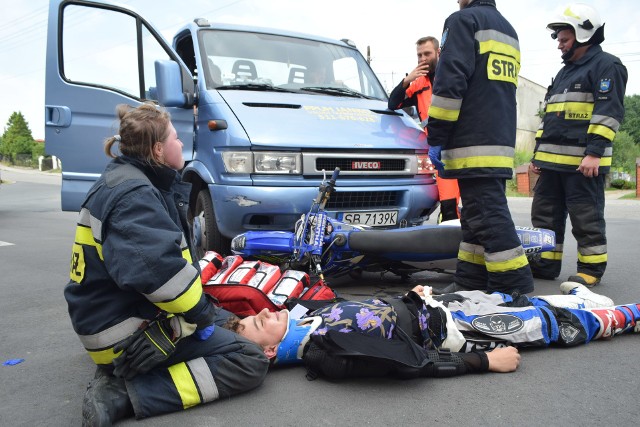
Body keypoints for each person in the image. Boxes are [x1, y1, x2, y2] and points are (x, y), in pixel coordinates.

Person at [63, 103, 269, 426]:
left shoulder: (132, 180)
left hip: (114, 314)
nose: (181, 144)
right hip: (122, 334)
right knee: (249, 359)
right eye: (175, 138)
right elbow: (163, 276)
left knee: (225, 318)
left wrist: (203, 313)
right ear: (158, 150)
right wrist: (196, 320)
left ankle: (129, 373)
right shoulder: (135, 196)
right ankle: (127, 394)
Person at [225, 279, 639, 381]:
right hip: (456, 333)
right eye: (250, 327)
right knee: (547, 325)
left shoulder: (305, 316)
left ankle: (591, 299)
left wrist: (405, 295)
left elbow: (364, 306)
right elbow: (411, 366)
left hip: (433, 303)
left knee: (514, 300)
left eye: (249, 315)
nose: (257, 316)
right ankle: (628, 315)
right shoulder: (326, 353)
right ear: (266, 353)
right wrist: (483, 361)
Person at [426, 0, 533, 294]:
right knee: (474, 219)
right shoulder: (507, 29)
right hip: (498, 140)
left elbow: (449, 85)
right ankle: (469, 282)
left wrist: (436, 136)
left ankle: (514, 287)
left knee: (487, 216)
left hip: (471, 141)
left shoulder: (462, 21)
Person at [529, 3, 628, 288]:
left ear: (584, 34)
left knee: (586, 217)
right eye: (558, 39)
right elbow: (549, 115)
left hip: (583, 163)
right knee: (544, 216)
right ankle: (545, 263)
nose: (559, 45)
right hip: (551, 163)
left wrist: (594, 153)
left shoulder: (607, 65)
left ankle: (591, 269)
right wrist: (538, 155)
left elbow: (609, 112)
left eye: (564, 39)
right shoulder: (564, 72)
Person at [388, 36, 461, 222]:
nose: (422, 59)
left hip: (461, 146)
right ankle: (450, 240)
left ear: (438, 53)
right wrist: (407, 80)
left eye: (427, 54)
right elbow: (393, 104)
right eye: (419, 55)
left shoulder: (453, 76)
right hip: (440, 152)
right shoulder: (418, 84)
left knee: (473, 204)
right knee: (449, 206)